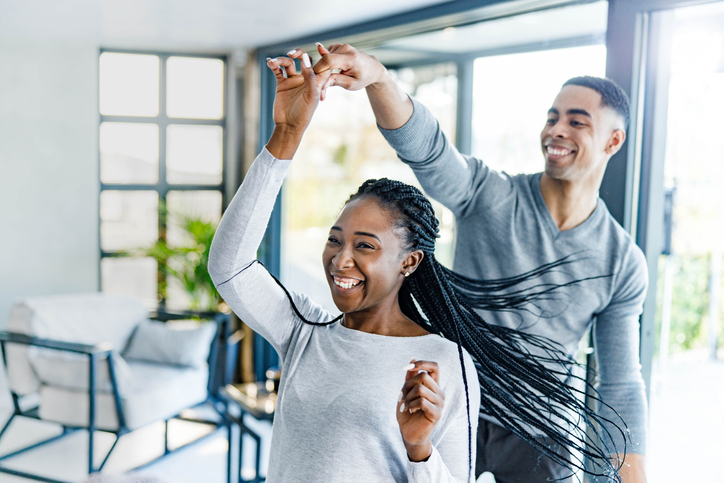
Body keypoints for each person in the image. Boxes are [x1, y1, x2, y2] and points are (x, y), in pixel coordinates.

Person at [311, 43, 649, 483]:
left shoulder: (621, 261)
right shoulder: (490, 196)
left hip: (540, 430)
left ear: (613, 140)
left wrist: (634, 474)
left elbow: (620, 382)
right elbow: (429, 152)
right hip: (451, 406)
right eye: (552, 117)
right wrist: (379, 79)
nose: (556, 130)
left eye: (576, 121)